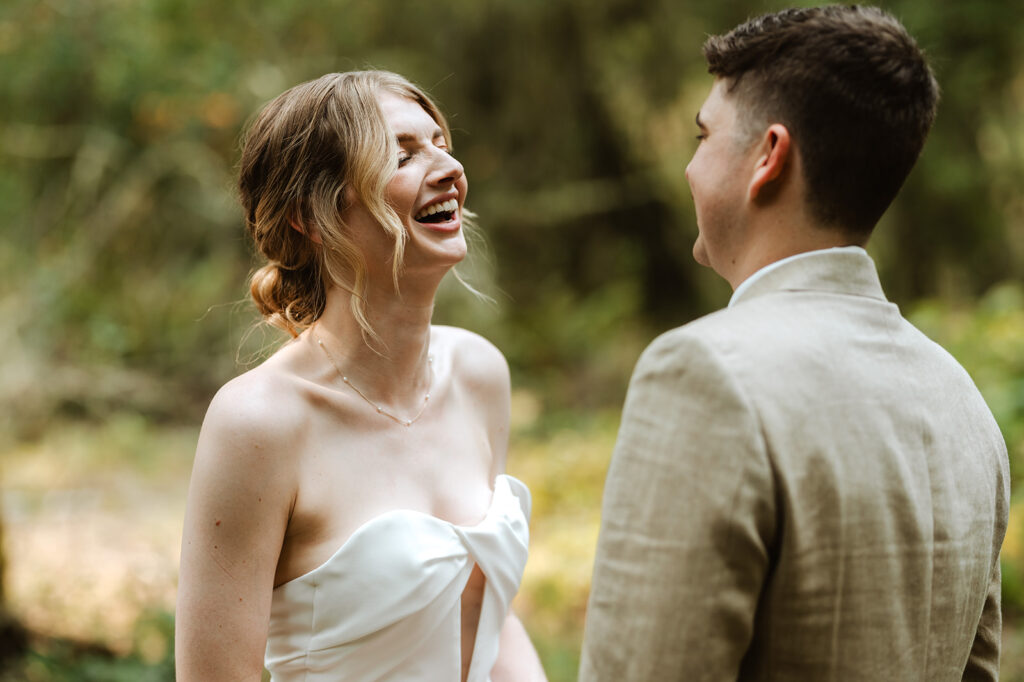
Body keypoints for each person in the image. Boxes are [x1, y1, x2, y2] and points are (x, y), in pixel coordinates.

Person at [579, 6, 1009, 681]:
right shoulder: (961, 399)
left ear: (768, 157)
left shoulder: (702, 375)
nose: (689, 166)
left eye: (702, 135)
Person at [175, 70, 547, 682]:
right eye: (401, 155)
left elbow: (486, 616)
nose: (448, 168)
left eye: (439, 143)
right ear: (308, 217)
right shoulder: (260, 423)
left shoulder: (479, 373)